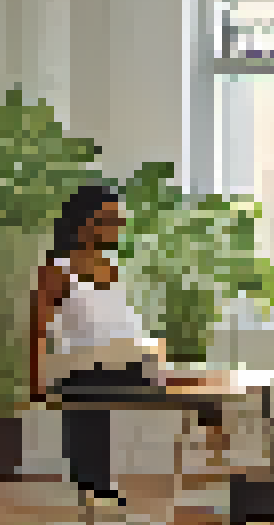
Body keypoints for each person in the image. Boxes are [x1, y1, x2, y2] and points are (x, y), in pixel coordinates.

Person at [30, 184, 229, 504]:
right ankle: (94, 486)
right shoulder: (57, 271)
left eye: (118, 217)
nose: (120, 224)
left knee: (209, 390)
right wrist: (36, 380)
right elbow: (37, 329)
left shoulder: (112, 268)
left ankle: (221, 473)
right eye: (110, 218)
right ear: (85, 222)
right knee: (86, 399)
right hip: (86, 369)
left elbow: (120, 321)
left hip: (131, 361)